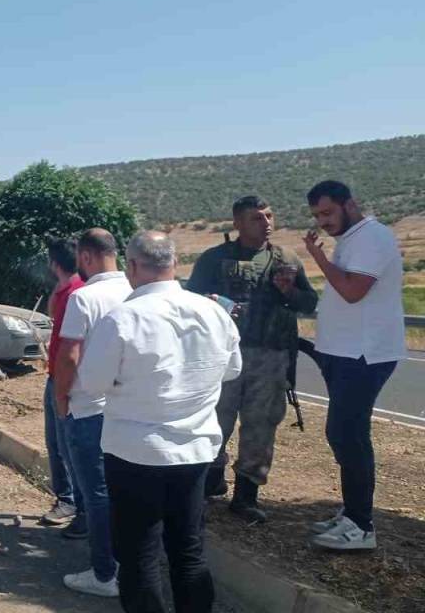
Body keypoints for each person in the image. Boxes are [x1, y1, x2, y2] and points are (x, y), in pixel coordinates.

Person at [77, 231, 241, 613]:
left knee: (139, 555)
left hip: (135, 452)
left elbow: (93, 382)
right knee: (189, 549)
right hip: (195, 450)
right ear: (174, 264)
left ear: (132, 266)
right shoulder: (214, 312)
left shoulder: (122, 318)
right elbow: (232, 369)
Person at [186, 196, 318, 522]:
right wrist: (213, 301)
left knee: (261, 427)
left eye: (269, 215)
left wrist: (289, 291)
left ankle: (246, 496)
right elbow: (188, 303)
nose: (267, 222)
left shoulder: (286, 259)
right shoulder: (213, 259)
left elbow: (309, 303)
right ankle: (208, 483)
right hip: (222, 354)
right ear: (238, 223)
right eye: (257, 218)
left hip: (270, 357)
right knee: (214, 421)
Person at [303, 180, 405, 551]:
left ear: (350, 204)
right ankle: (352, 514)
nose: (323, 221)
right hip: (344, 353)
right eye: (316, 215)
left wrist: (318, 259)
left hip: (364, 354)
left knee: (348, 434)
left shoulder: (372, 237)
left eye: (328, 212)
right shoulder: (351, 239)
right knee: (342, 434)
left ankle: (361, 527)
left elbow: (352, 291)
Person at [53, 228, 133, 598]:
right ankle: (129, 563)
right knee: (123, 490)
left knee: (97, 493)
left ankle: (105, 574)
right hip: (127, 409)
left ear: (85, 257)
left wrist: (62, 398)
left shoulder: (84, 298)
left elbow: (68, 356)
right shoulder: (136, 292)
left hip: (88, 408)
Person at [39, 238, 85, 527]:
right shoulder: (71, 289)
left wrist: (61, 391)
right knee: (60, 442)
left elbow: (69, 346)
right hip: (57, 373)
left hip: (62, 377)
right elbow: (53, 316)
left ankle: (70, 502)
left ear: (54, 264)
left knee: (61, 444)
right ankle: (70, 500)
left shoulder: (76, 293)